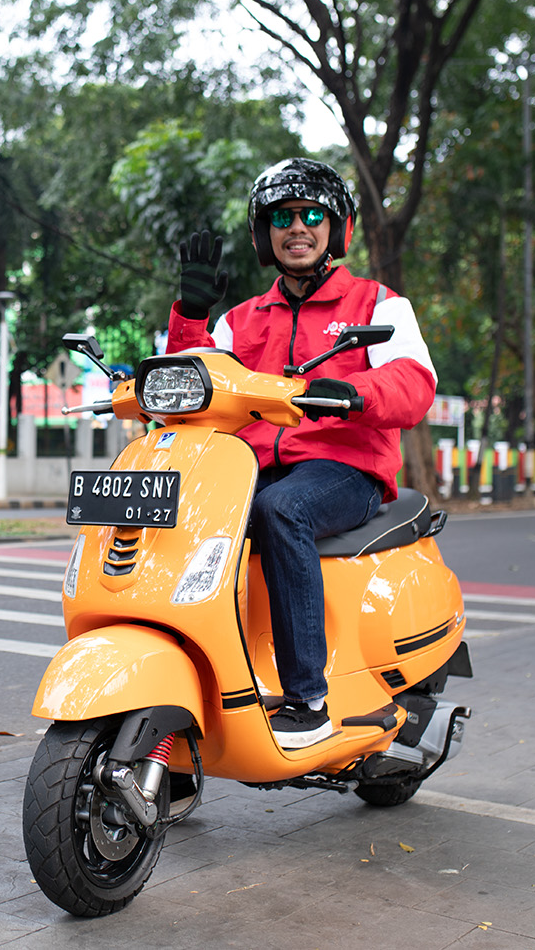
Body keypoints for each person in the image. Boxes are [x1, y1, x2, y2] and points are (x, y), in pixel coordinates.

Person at [166, 157, 437, 750]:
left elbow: (415, 383)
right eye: (283, 217)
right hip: (252, 467)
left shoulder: (378, 305)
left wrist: (354, 392)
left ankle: (308, 698)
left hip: (346, 469)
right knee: (183, 516)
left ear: (335, 228)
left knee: (283, 511)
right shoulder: (242, 319)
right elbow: (193, 384)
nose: (298, 227)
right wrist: (189, 315)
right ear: (265, 235)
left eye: (312, 215)